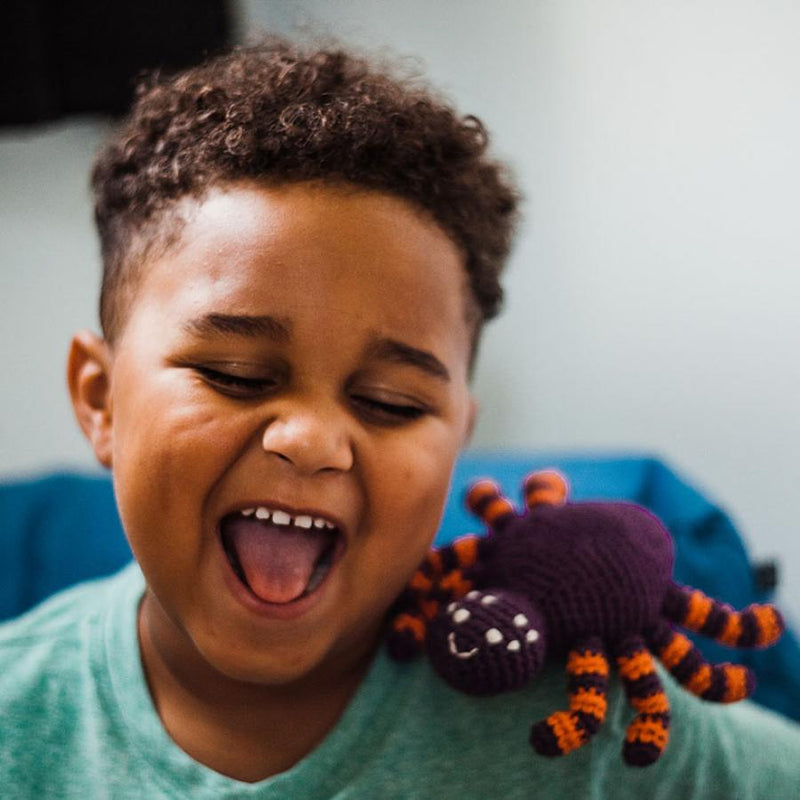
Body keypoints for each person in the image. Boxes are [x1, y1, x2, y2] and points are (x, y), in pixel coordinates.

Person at [1, 38, 798, 799]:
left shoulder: (581, 715)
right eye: (235, 375)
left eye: (391, 403)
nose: (311, 440)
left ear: (459, 437)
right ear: (101, 400)